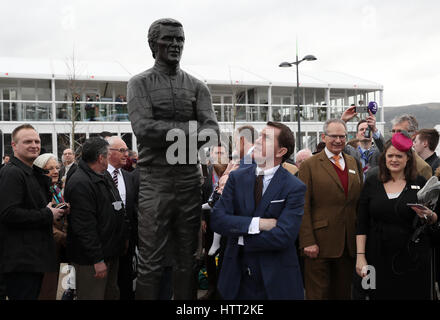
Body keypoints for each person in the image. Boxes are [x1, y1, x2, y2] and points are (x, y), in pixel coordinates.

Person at [127, 18, 219, 300]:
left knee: (188, 259)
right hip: (155, 180)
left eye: (180, 39)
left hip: (189, 179)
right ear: (154, 44)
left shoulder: (197, 86)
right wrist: (192, 132)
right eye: (169, 39)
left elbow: (212, 132)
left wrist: (171, 132)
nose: (176, 45)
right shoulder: (139, 83)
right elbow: (144, 128)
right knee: (151, 262)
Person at [211, 121, 306, 300]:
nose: (257, 140)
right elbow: (217, 219)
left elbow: (284, 235)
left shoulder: (294, 187)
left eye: (266, 138)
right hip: (236, 280)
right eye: (259, 135)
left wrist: (239, 237)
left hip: (275, 281)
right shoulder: (236, 178)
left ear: (280, 152)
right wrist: (258, 224)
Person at [356, 132, 439, 299]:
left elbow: (434, 218)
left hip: (412, 257)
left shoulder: (420, 182)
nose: (394, 160)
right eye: (390, 155)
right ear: (384, 157)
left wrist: (430, 215)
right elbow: (361, 222)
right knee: (373, 294)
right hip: (375, 256)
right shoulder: (372, 182)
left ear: (408, 158)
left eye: (399, 156)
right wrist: (360, 257)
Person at [298, 119, 363, 300]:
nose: (338, 140)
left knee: (343, 294)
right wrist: (307, 241)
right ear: (323, 137)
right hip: (318, 245)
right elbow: (302, 205)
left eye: (342, 136)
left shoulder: (353, 163)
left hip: (347, 244)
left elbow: (358, 203)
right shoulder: (309, 165)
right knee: (318, 295)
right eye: (333, 136)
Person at [0, 124, 66, 300]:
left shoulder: (31, 172)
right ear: (14, 145)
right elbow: (8, 213)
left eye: (37, 141)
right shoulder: (12, 173)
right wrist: (47, 214)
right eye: (27, 141)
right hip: (21, 261)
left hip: (33, 258)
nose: (34, 145)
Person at [64, 137, 130, 300]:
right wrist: (97, 259)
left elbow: (117, 207)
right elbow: (84, 227)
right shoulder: (80, 183)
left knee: (110, 294)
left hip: (110, 252)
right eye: (108, 155)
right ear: (101, 158)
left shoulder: (103, 175)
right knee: (93, 295)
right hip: (92, 261)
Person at [106, 136, 138, 300]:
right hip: (105, 242)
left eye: (126, 150)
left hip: (127, 242)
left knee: (125, 282)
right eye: (122, 150)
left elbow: (134, 209)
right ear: (108, 153)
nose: (126, 154)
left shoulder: (128, 176)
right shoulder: (100, 175)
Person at [33, 153, 68, 300]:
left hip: (56, 249)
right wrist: (66, 238)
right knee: (45, 291)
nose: (55, 171)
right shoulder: (39, 191)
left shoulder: (57, 189)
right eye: (49, 169)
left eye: (56, 167)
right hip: (44, 250)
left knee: (52, 289)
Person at [200, 143, 229, 300]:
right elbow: (201, 196)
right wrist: (202, 218)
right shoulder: (205, 171)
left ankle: (224, 288)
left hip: (227, 221)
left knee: (226, 253)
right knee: (209, 256)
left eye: (222, 152)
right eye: (216, 152)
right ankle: (212, 287)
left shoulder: (231, 170)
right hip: (209, 220)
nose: (219, 154)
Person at [366, 114, 432, 180]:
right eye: (393, 131)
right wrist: (374, 130)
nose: (395, 135)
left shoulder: (423, 168)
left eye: (399, 132)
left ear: (413, 134)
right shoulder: (380, 157)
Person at [341, 106, 385, 174]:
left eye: (368, 129)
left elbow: (384, 149)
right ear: (357, 135)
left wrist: (374, 129)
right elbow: (338, 143)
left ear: (372, 133)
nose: (364, 131)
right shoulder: (350, 152)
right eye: (361, 129)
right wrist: (343, 121)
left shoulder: (378, 152)